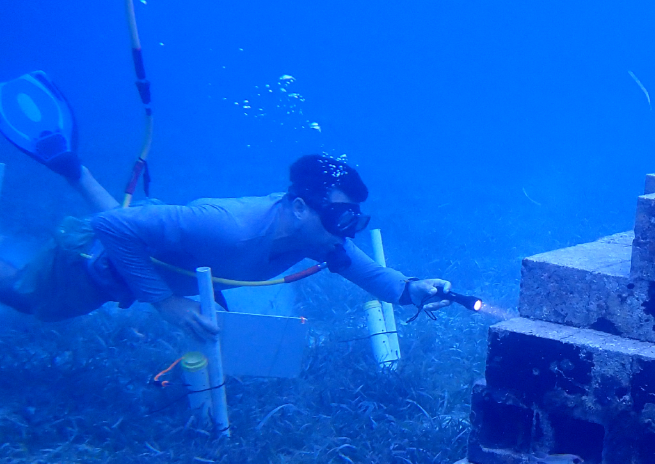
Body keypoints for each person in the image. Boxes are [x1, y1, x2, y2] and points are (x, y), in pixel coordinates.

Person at [0, 153, 453, 340]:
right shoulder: (229, 227)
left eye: (355, 219)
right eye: (340, 217)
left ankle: (73, 168)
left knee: (141, 223)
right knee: (24, 297)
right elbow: (114, 228)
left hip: (138, 245)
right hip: (91, 265)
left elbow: (368, 273)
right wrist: (166, 302)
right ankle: (72, 170)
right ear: (299, 206)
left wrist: (411, 289)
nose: (347, 231)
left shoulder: (315, 239)